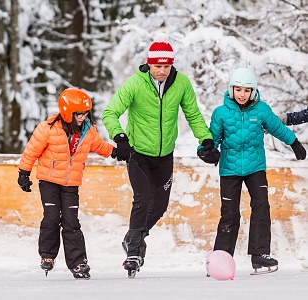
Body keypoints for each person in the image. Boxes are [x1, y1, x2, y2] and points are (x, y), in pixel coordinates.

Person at [102, 33, 218, 277]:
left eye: (166, 66)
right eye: (158, 66)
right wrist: (119, 137)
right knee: (143, 197)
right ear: (149, 63)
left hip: (165, 154)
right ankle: (134, 251)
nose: (162, 71)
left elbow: (193, 115)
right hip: (138, 153)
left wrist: (205, 139)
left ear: (171, 64)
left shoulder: (182, 84)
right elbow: (110, 112)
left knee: (160, 206)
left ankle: (133, 237)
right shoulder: (135, 83)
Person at [199, 67, 306, 274]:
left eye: (246, 90)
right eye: (238, 89)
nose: (242, 94)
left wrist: (294, 143)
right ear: (231, 90)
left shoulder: (261, 110)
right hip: (229, 170)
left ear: (253, 91)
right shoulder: (221, 113)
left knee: (261, 207)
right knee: (229, 214)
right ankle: (221, 257)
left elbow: (277, 127)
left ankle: (259, 255)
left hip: (255, 167)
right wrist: (206, 151)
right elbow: (211, 138)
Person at [17, 88, 116, 280]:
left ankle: (78, 262)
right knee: (52, 217)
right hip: (49, 181)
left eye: (85, 113)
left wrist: (120, 152)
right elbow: (31, 151)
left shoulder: (88, 130)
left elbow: (101, 147)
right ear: (66, 111)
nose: (82, 117)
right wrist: (24, 173)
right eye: (78, 113)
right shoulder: (48, 128)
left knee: (71, 222)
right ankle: (47, 255)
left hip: (71, 184)